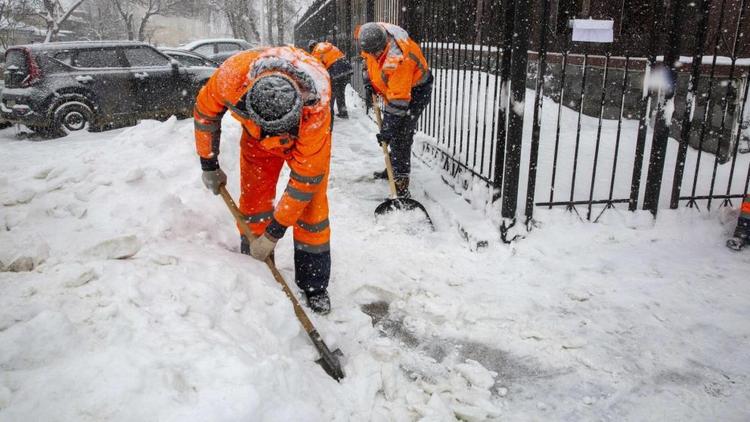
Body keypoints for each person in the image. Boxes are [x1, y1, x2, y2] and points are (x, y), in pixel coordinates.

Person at [194, 46, 334, 314]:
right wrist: (208, 162)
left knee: (311, 210)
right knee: (254, 199)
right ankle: (255, 265)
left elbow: (305, 181)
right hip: (256, 140)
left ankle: (313, 284)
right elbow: (204, 114)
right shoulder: (231, 77)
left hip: (301, 140)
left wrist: (274, 233)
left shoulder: (317, 106)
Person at [356, 22, 433, 198]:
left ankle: (401, 181)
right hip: (397, 90)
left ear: (383, 44)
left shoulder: (398, 58)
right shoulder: (371, 39)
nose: (373, 55)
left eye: (376, 52)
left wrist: (387, 130)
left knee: (401, 134)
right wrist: (368, 79)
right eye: (370, 52)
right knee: (395, 130)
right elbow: (366, 60)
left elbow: (399, 100)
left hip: (416, 91)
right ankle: (393, 166)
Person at [307, 40, 353, 119]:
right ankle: (343, 112)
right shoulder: (327, 46)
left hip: (336, 71)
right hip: (346, 67)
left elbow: (318, 69)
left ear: (311, 48)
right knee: (340, 92)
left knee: (331, 93)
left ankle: (329, 114)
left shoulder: (317, 52)